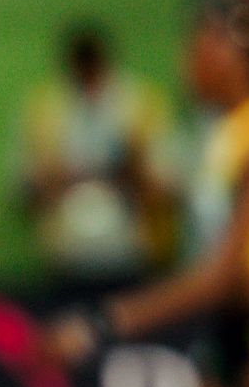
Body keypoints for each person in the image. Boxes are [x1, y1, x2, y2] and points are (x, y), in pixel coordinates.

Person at [48, 0, 249, 387]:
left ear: (237, 55)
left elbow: (223, 274)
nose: (187, 61)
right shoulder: (228, 134)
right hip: (226, 340)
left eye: (199, 45)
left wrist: (103, 323)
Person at [18, 25, 176, 295]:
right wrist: (55, 179)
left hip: (135, 255)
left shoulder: (141, 104)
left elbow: (171, 187)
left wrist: (132, 172)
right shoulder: (46, 108)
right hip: (66, 257)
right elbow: (23, 190)